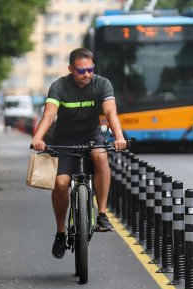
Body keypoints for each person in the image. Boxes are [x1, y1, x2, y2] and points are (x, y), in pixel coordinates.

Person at [32, 48, 127, 259]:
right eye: (81, 71)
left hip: (91, 134)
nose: (86, 75)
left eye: (90, 69)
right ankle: (60, 232)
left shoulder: (102, 84)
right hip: (65, 139)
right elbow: (49, 115)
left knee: (101, 156)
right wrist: (38, 138)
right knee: (61, 184)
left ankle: (101, 214)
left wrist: (119, 137)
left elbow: (111, 112)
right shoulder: (59, 86)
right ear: (70, 69)